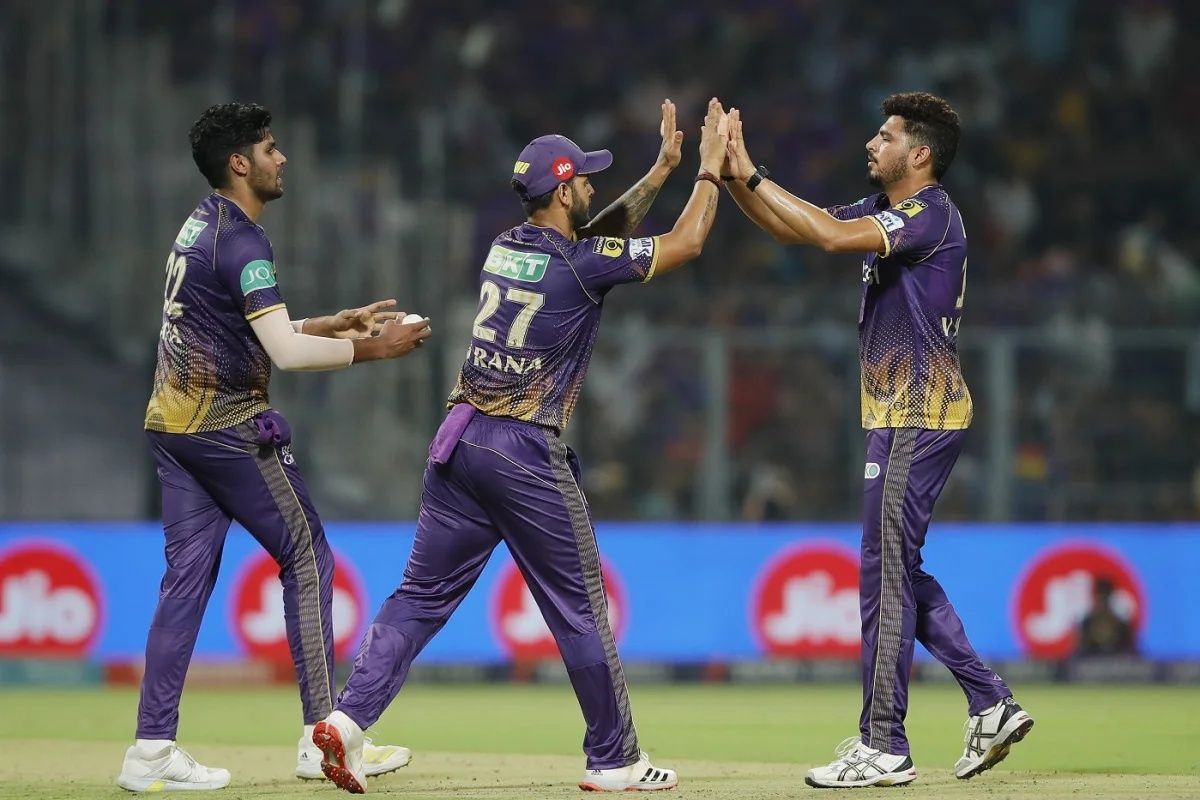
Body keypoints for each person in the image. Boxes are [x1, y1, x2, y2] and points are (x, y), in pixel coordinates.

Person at [311, 98, 728, 794]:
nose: (592, 186)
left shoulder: (509, 244)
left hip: (459, 440)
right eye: (584, 179)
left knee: (418, 596)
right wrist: (707, 172)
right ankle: (615, 760)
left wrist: (659, 172)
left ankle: (347, 724)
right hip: (523, 450)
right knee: (579, 608)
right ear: (562, 189)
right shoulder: (578, 265)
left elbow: (594, 239)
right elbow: (682, 245)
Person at [722, 92, 1034, 788]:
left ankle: (884, 743)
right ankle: (988, 702)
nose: (871, 142)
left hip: (915, 416)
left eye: (885, 135)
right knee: (898, 569)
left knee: (884, 575)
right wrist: (734, 175)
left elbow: (827, 240)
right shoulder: (891, 214)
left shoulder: (930, 214)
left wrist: (749, 173)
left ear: (917, 154)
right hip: (904, 415)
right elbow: (796, 230)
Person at [118, 102, 431, 793]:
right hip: (227, 428)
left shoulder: (202, 223)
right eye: (270, 147)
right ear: (241, 163)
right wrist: (374, 349)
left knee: (184, 586)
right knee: (309, 557)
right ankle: (324, 735)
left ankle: (150, 748)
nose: (281, 157)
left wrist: (337, 324)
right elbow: (285, 354)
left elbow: (252, 328)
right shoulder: (244, 241)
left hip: (172, 427)